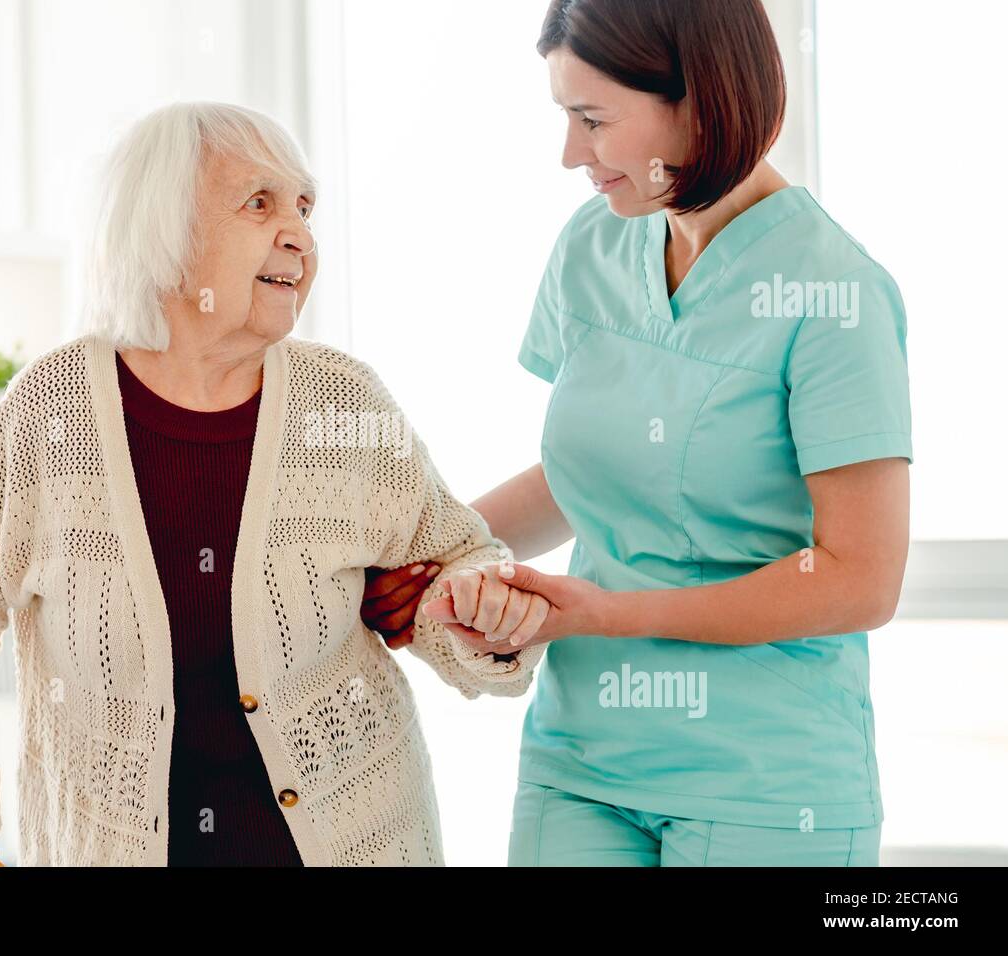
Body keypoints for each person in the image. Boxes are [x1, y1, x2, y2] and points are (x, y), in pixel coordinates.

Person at [0, 101, 546, 867]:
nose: (298, 233)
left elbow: (456, 562)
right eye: (259, 203)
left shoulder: (346, 404)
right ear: (162, 227)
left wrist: (473, 607)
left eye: (305, 207)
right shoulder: (51, 412)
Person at [365, 0, 910, 866]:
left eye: (593, 120)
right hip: (581, 764)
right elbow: (583, 478)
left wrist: (607, 616)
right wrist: (431, 553)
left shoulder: (834, 294)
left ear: (698, 97)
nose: (570, 154)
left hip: (765, 788)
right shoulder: (594, 244)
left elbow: (860, 580)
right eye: (564, 117)